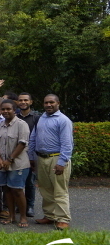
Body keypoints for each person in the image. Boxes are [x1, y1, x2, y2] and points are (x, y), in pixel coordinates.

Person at [28, 94, 73, 230]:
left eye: (51, 102)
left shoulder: (63, 120)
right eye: (46, 102)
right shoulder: (41, 118)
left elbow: (67, 144)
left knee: (59, 190)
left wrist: (62, 162)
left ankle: (63, 219)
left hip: (57, 158)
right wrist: (32, 157)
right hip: (41, 158)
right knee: (45, 189)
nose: (48, 105)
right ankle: (50, 215)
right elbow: (33, 138)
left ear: (58, 103)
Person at [0, 99, 31, 228]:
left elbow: (22, 143)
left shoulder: (21, 124)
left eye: (8, 109)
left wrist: (9, 160)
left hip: (17, 164)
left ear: (15, 110)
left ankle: (23, 217)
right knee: (6, 189)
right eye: (3, 109)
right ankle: (11, 216)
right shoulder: (0, 125)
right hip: (2, 164)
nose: (5, 111)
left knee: (18, 190)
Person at [16, 92, 40, 217]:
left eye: (26, 100)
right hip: (16, 155)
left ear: (31, 102)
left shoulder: (36, 118)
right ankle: (18, 205)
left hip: (30, 155)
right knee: (16, 182)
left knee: (30, 182)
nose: (23, 102)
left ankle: (30, 206)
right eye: (20, 100)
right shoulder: (14, 116)